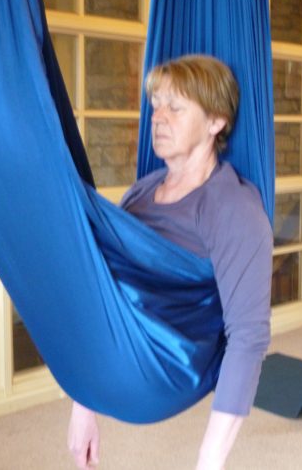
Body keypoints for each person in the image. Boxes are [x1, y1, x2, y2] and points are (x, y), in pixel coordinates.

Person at [67, 55, 273, 470]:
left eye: (175, 107)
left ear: (216, 122)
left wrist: (208, 462)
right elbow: (102, 296)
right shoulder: (140, 193)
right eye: (156, 104)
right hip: (118, 354)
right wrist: (83, 406)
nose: (157, 117)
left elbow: (248, 337)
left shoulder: (232, 207)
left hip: (168, 365)